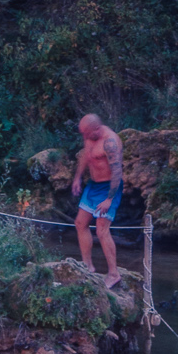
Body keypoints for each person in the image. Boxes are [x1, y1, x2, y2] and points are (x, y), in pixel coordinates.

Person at [71, 111, 124, 288]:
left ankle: (114, 273)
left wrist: (109, 199)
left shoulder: (110, 142)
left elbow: (117, 172)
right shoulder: (90, 137)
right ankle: (88, 266)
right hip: (93, 186)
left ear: (96, 129)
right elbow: (86, 156)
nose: (84, 137)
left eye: (86, 133)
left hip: (109, 187)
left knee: (102, 230)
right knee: (80, 223)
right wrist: (77, 178)